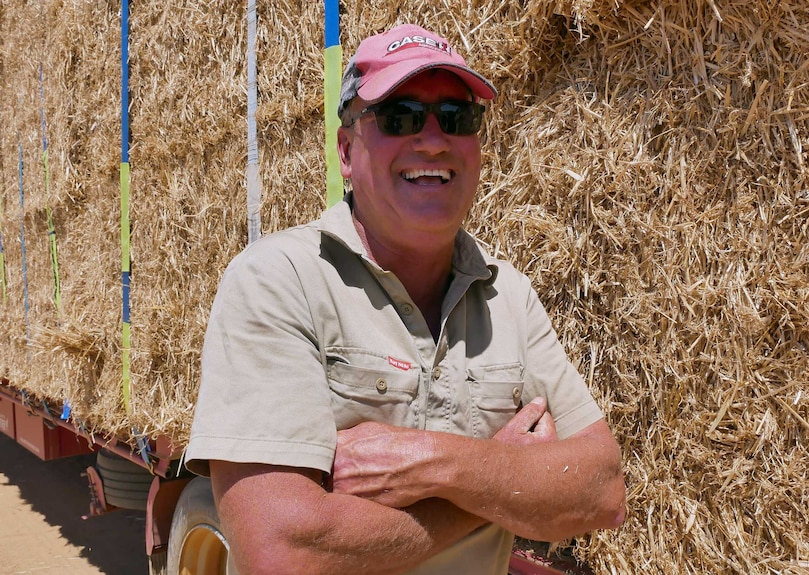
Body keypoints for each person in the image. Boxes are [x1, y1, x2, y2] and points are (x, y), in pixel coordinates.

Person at [184, 23, 626, 575]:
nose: (434, 139)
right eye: (400, 117)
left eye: (457, 117)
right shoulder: (281, 280)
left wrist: (435, 465)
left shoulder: (507, 294)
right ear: (346, 152)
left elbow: (601, 490)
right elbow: (284, 553)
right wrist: (504, 479)